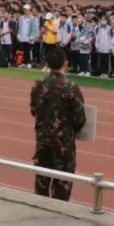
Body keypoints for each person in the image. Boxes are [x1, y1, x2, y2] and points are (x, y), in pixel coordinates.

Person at [29, 46, 87, 201]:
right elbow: (80, 118)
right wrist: (70, 130)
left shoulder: (38, 84)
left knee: (41, 185)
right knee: (62, 188)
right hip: (63, 144)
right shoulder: (71, 87)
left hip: (43, 142)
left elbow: (33, 110)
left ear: (47, 64)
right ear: (66, 64)